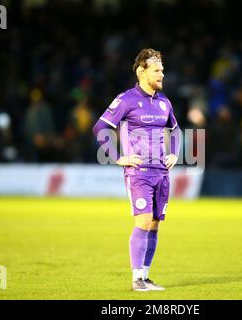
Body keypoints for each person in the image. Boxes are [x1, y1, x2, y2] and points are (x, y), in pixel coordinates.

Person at [92, 48, 181, 291]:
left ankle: (145, 276)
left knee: (154, 225)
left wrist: (174, 152)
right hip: (139, 173)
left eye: (162, 69)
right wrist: (117, 156)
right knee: (142, 221)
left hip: (162, 173)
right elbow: (100, 127)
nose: (162, 74)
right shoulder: (127, 99)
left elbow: (176, 130)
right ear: (142, 72)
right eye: (157, 70)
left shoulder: (164, 102)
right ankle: (136, 280)